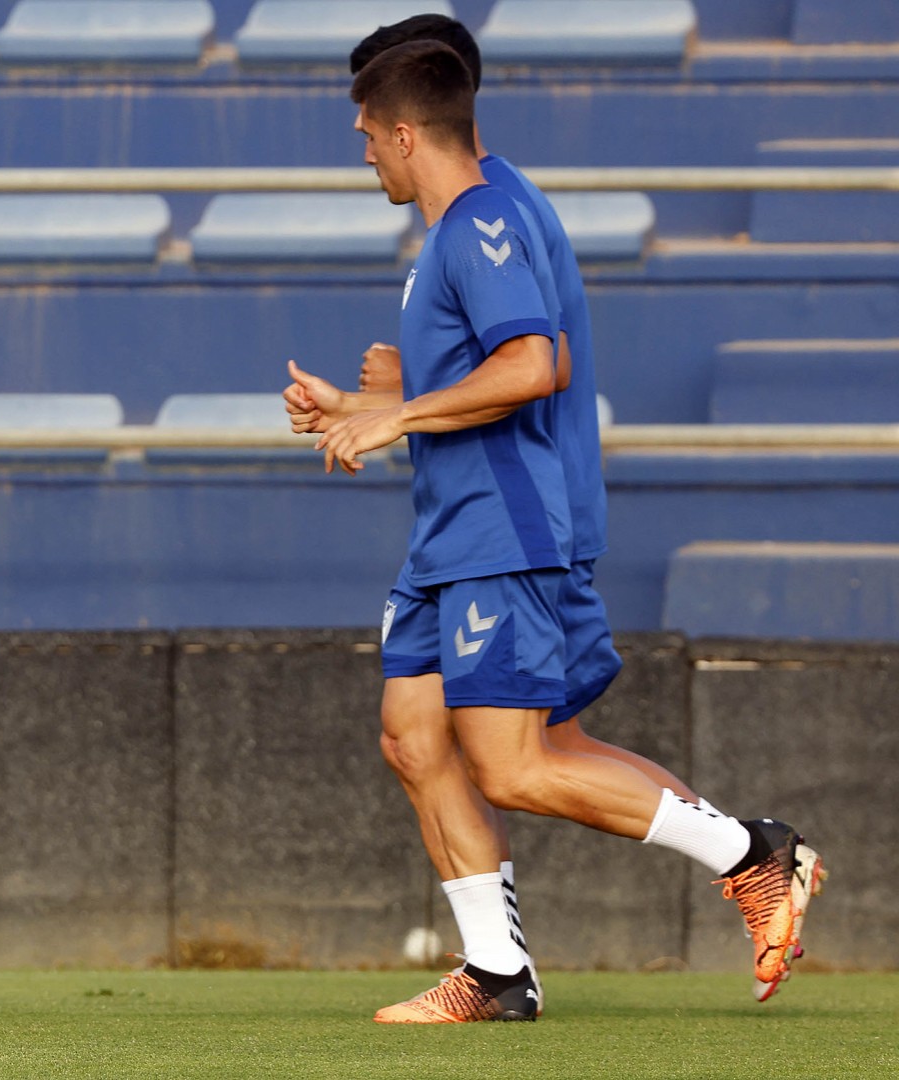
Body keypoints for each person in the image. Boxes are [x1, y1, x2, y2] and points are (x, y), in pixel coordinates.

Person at [286, 39, 824, 1023]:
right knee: (414, 737)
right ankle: (496, 973)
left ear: (407, 132)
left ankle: (754, 854)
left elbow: (536, 365)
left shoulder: (484, 219)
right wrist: (365, 402)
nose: (363, 149)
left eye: (368, 132)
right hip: (454, 534)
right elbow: (494, 364)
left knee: (517, 764)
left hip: (506, 531)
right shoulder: (477, 211)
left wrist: (396, 414)